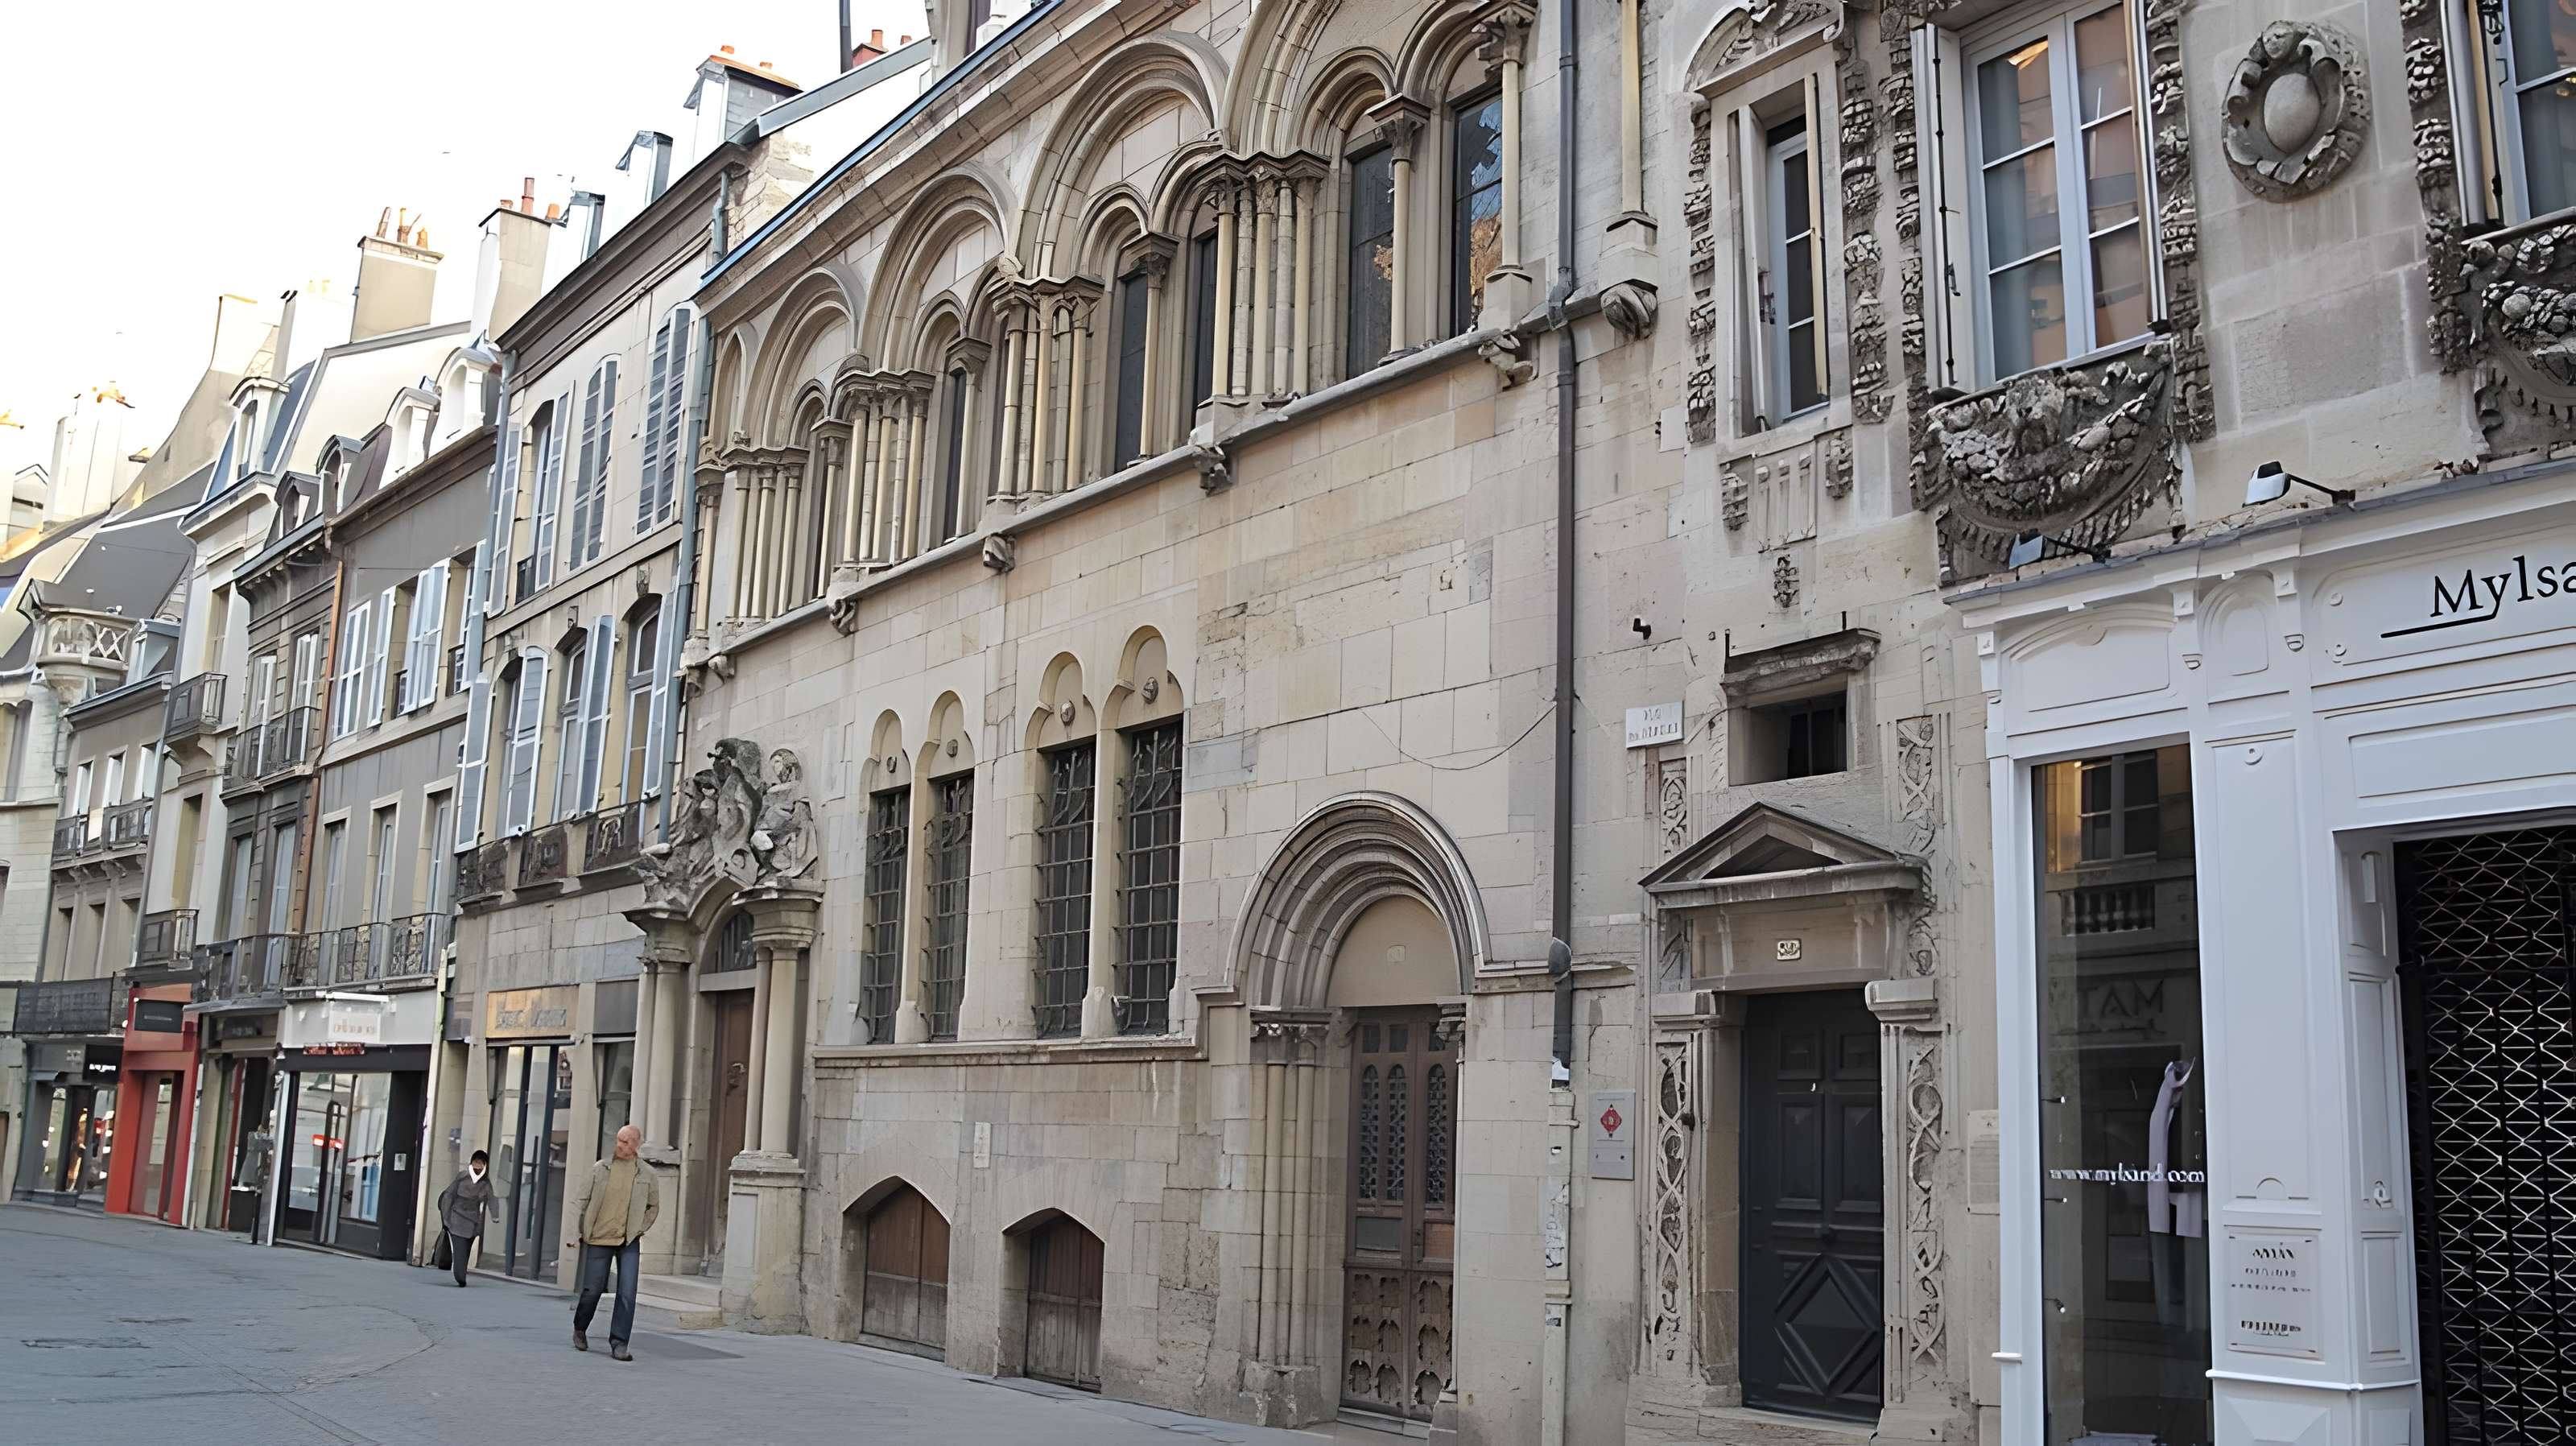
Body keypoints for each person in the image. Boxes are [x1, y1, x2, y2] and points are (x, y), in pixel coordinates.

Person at [569, 1125, 658, 1361]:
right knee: (592, 1289)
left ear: (636, 1144)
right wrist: (575, 1234)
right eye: (619, 1140)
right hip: (599, 1236)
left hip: (628, 1239)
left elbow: (653, 1207)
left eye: (626, 1142)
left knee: (627, 1292)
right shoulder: (600, 1169)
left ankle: (619, 1343)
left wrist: (640, 1228)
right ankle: (580, 1327)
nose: (620, 1145)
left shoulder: (646, 1174)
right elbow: (581, 1202)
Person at [435, 1150, 494, 1287]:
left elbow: (491, 1199)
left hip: (473, 1221)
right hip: (457, 1218)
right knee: (460, 1247)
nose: (478, 1166)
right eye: (476, 1162)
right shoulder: (462, 1177)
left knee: (466, 1249)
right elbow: (449, 1196)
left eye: (481, 1163)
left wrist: (494, 1215)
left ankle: (461, 1272)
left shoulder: (485, 1183)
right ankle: (460, 1275)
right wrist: (446, 1217)